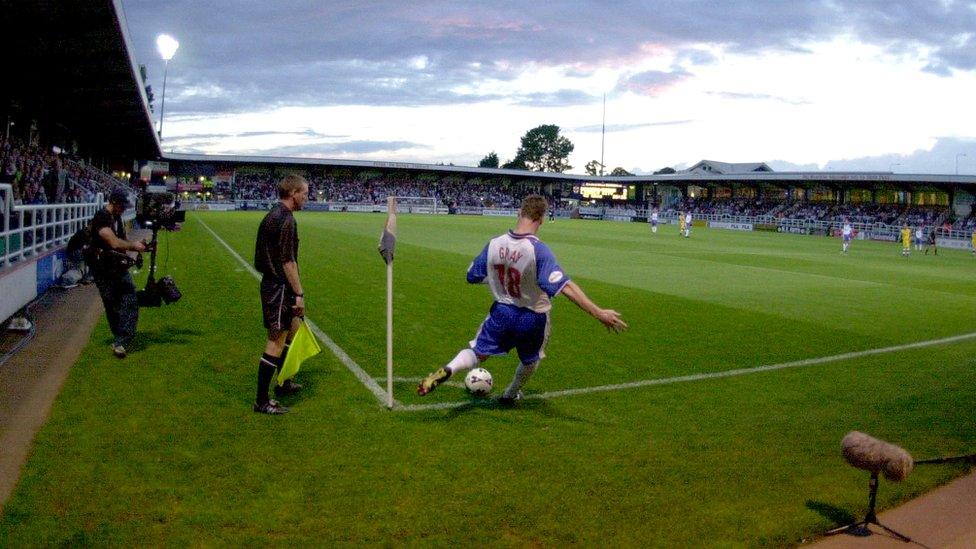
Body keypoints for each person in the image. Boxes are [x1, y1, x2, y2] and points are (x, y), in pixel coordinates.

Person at [416, 195, 628, 404]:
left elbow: (472, 275)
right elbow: (565, 286)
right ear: (541, 219)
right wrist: (598, 312)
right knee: (530, 360)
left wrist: (501, 280)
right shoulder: (537, 250)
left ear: (519, 213)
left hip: (501, 312)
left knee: (478, 352)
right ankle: (510, 394)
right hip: (533, 317)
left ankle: (450, 369)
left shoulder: (494, 244)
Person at [253, 174, 309, 415]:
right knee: (276, 341)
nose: (307, 198)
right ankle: (262, 401)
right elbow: (288, 261)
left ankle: (284, 381)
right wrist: (299, 293)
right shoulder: (286, 220)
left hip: (276, 285)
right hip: (279, 288)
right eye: (305, 193)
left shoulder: (274, 215)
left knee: (294, 332)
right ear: (293, 193)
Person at [88, 189, 147, 358]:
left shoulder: (117, 218)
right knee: (112, 305)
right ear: (113, 202)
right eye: (122, 205)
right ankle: (120, 339)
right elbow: (113, 242)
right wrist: (133, 246)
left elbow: (120, 242)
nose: (123, 209)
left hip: (117, 268)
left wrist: (134, 247)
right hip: (103, 270)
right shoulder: (102, 217)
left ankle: (122, 340)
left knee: (130, 299)